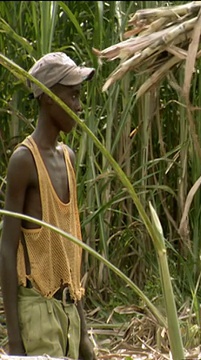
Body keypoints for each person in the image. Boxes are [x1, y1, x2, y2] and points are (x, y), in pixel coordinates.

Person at [0, 52, 96, 359]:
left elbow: (69, 254)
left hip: (69, 313)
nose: (79, 106)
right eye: (73, 95)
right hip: (38, 315)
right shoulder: (24, 161)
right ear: (49, 98)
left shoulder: (67, 157)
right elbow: (6, 249)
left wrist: (82, 329)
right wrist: (15, 342)